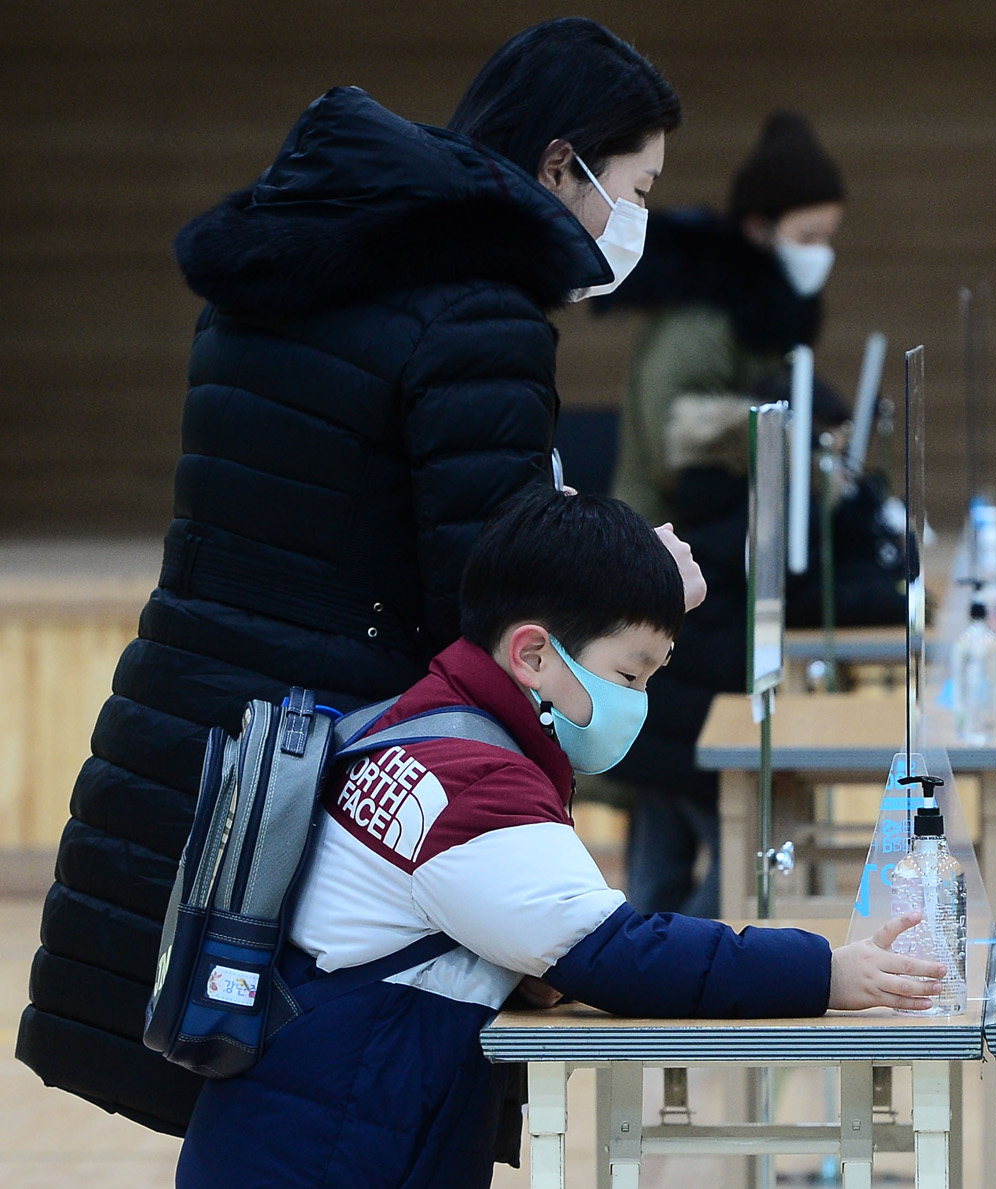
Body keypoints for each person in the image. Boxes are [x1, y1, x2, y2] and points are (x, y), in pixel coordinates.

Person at [16, 18, 686, 1134]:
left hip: (195, 737)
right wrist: (632, 572)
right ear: (562, 165)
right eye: (640, 184)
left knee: (239, 1104)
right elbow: (483, 595)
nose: (642, 219)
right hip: (329, 766)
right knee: (326, 1118)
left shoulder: (289, 264)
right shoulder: (477, 310)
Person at [175, 490, 943, 1188]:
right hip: (331, 1154)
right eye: (631, 674)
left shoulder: (409, 724)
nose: (637, 700)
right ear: (533, 655)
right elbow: (620, 952)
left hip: (286, 1131)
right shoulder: (475, 785)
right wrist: (824, 973)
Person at [609, 371, 907, 916]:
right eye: (833, 449)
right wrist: (896, 587)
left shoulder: (709, 489)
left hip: (661, 711)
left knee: (657, 869)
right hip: (706, 719)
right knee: (737, 861)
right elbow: (812, 593)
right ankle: (680, 958)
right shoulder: (767, 509)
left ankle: (641, 965)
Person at [600, 109, 846, 526]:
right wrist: (792, 444)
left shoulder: (769, 316)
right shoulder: (700, 319)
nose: (821, 252)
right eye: (808, 236)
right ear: (757, 228)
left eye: (828, 237)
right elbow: (673, 452)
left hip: (724, 541)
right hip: (661, 546)